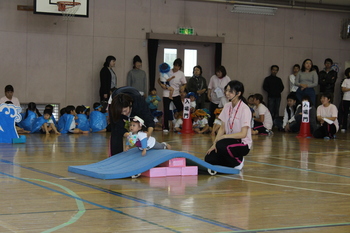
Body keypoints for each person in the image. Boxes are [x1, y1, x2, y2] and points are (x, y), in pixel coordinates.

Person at [205, 80, 252, 170]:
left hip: (242, 143)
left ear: (238, 93)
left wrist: (224, 137)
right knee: (209, 158)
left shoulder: (245, 109)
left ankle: (238, 161)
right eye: (226, 90)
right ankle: (228, 163)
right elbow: (222, 128)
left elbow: (243, 134)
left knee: (222, 145)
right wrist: (214, 144)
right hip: (229, 141)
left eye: (230, 91)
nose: (227, 93)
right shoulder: (227, 106)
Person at [109, 86, 155, 156]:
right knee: (116, 132)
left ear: (130, 105)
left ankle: (145, 151)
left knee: (142, 129)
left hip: (135, 98)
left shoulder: (139, 103)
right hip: (115, 98)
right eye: (121, 112)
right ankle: (116, 156)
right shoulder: (114, 107)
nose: (124, 114)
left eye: (125, 111)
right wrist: (127, 135)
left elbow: (149, 119)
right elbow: (117, 127)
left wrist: (148, 133)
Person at [157, 58, 186, 132]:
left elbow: (184, 83)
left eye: (178, 66)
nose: (176, 68)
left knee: (181, 109)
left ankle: (183, 124)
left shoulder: (181, 74)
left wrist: (183, 87)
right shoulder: (168, 71)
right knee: (166, 111)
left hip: (176, 93)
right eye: (175, 66)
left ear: (180, 67)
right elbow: (159, 79)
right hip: (166, 93)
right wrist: (161, 85)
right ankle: (166, 127)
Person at [339, 68, 350, 132]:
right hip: (346, 98)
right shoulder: (346, 80)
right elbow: (343, 89)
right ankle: (344, 126)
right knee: (345, 113)